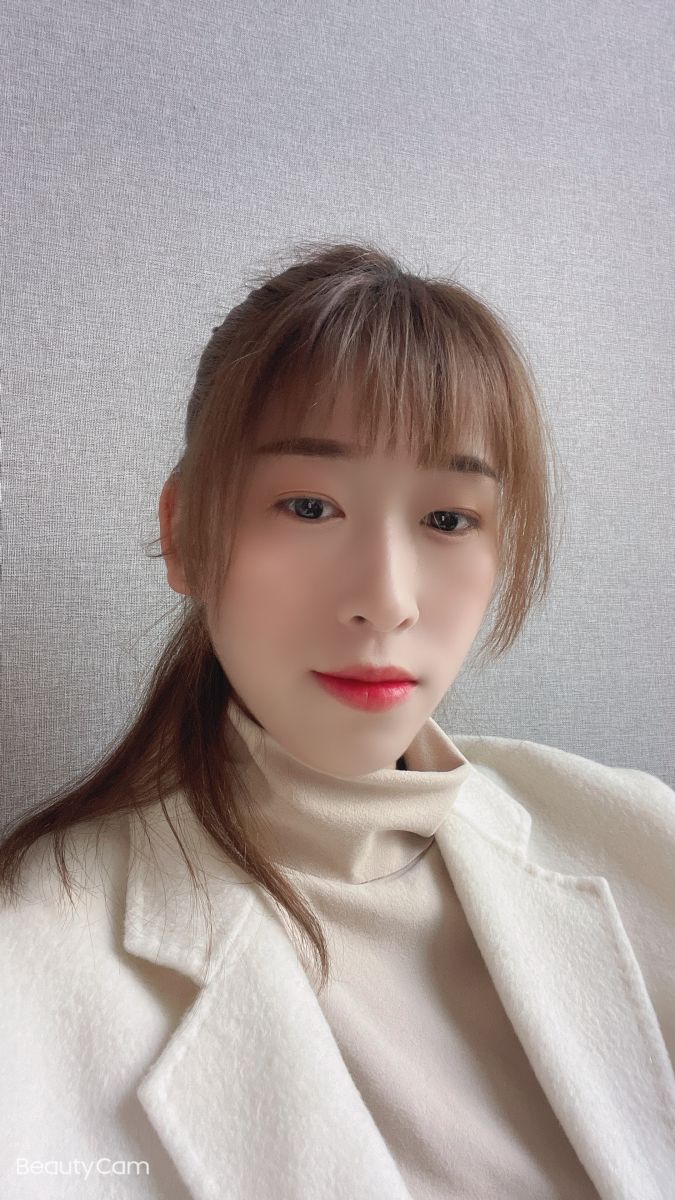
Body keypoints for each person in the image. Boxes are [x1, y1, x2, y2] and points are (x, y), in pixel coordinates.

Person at [1, 240, 673, 1200]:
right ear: (185, 532)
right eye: (310, 506)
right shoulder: (32, 961)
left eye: (448, 520)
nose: (386, 601)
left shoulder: (643, 836)